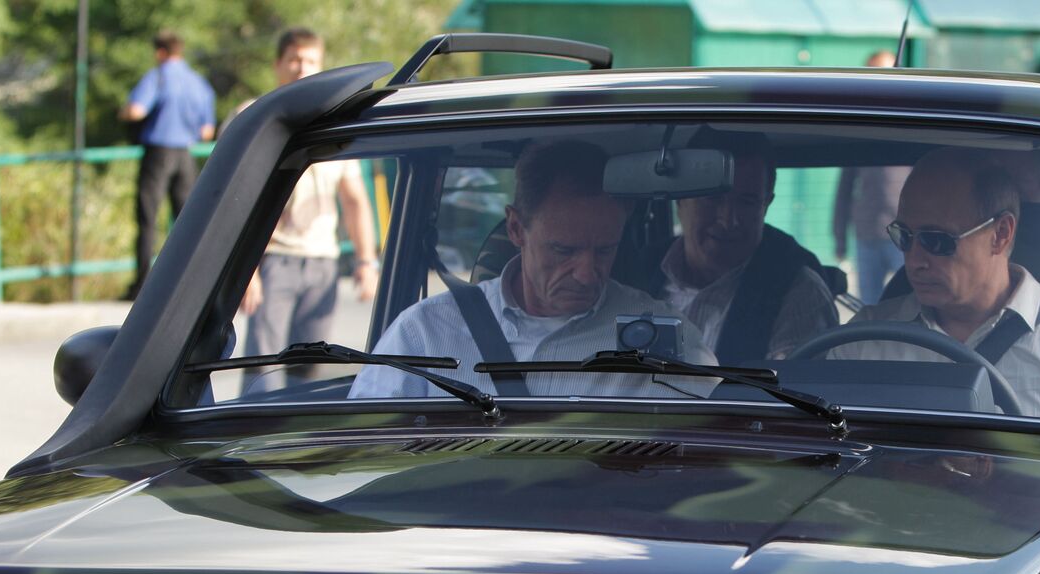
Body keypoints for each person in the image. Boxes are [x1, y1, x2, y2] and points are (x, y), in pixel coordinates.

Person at [350, 140, 715, 399]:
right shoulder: (425, 334)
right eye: (563, 250)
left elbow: (721, 443)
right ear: (515, 229)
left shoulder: (662, 336)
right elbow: (364, 457)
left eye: (605, 250)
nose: (587, 274)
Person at [837, 148, 1040, 419]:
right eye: (904, 236)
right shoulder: (864, 339)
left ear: (1000, 234)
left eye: (936, 240)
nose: (913, 261)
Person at [237, 28, 380, 393]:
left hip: (322, 261)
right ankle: (256, 442)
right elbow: (237, 202)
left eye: (311, 61)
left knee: (310, 373)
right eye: (295, 60)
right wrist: (243, 271)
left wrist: (366, 260)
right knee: (262, 372)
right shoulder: (256, 118)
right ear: (279, 65)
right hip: (273, 259)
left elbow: (354, 199)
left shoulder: (334, 124)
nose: (303, 68)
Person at [649, 130, 837, 362]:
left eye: (747, 202)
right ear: (680, 198)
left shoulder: (797, 293)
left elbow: (792, 394)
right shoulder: (633, 273)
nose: (729, 220)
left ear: (766, 205)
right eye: (713, 197)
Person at [121, 30, 216, 299]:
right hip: (185, 154)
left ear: (159, 52)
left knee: (147, 218)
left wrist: (124, 112)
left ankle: (141, 283)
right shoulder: (197, 82)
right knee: (187, 219)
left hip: (158, 152)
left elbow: (136, 109)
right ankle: (190, 283)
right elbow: (207, 131)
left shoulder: (159, 76)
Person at [832, 51, 913, 305]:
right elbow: (844, 190)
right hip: (866, 233)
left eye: (888, 75)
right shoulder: (859, 128)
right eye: (873, 76)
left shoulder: (915, 124)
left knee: (911, 302)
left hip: (904, 236)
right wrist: (839, 238)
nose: (881, 83)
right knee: (869, 308)